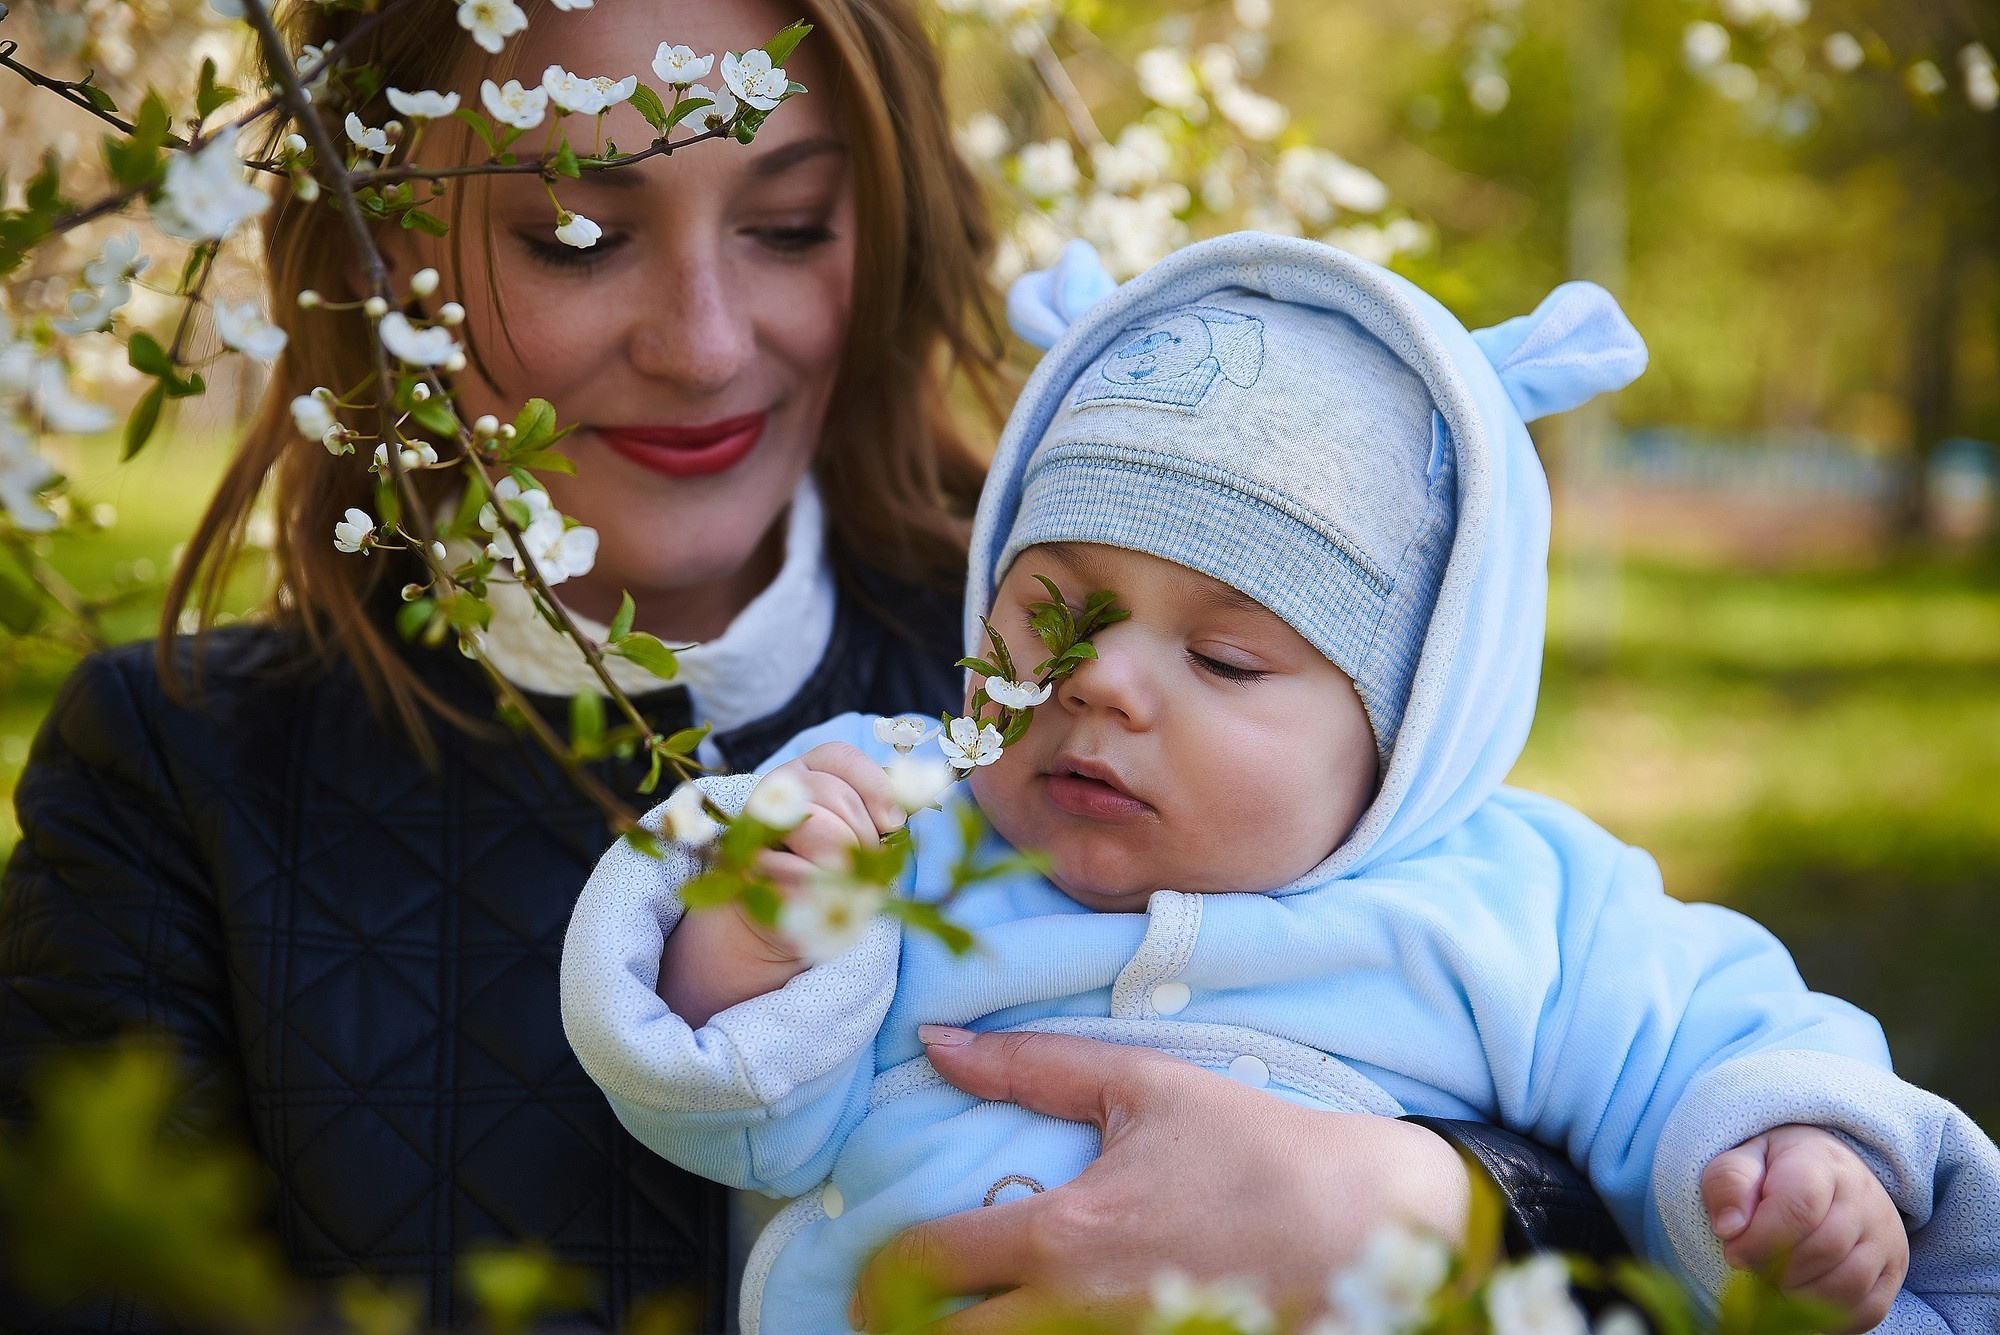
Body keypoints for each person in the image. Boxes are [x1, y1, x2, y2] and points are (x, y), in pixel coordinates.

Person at [0, 3, 1622, 1331]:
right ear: (377, 250)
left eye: (787, 226)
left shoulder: (1107, 693)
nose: (707, 342)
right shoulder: (182, 779)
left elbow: (1643, 1123)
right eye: (577, 233)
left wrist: (1442, 1208)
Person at [561, 234, 2000, 1334]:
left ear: (1410, 728)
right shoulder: (898, 818)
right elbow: (733, 1109)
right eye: (1049, 612)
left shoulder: (1523, 904)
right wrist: (750, 938)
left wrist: (1791, 1161)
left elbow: (1708, 1035)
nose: (1102, 683)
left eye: (1228, 659)